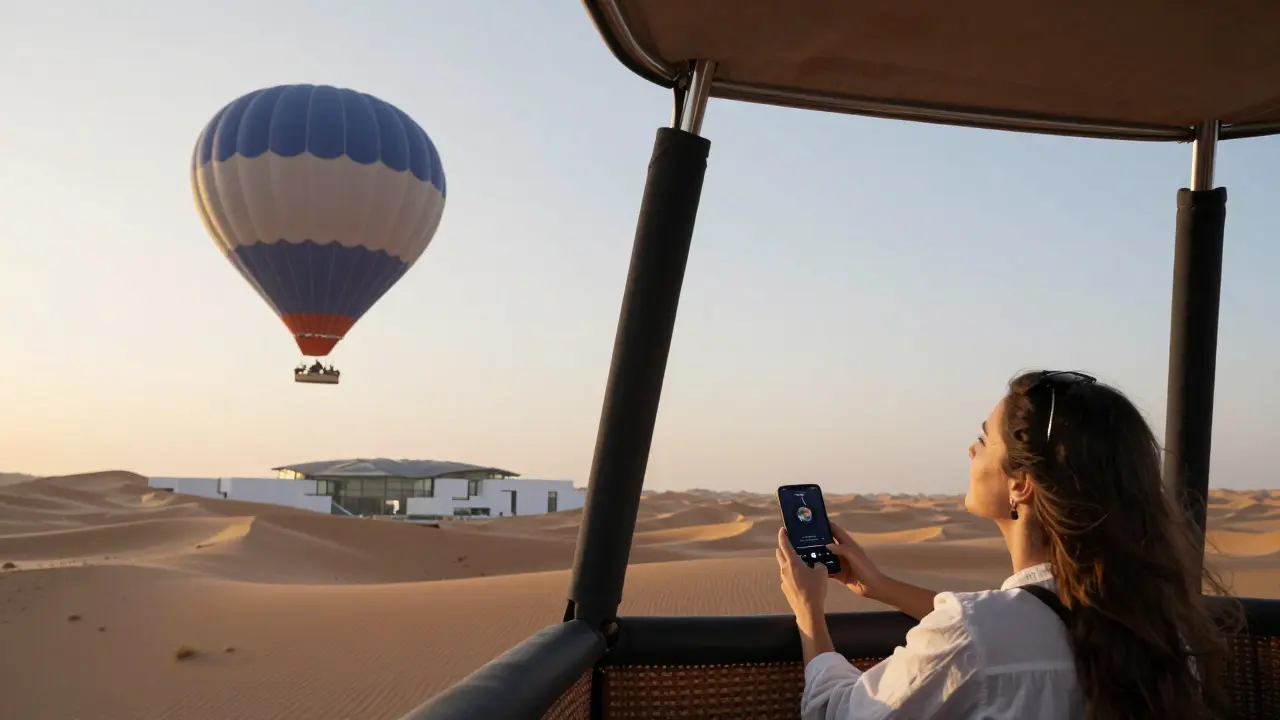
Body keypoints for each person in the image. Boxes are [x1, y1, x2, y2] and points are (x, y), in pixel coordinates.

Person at [776, 370, 1234, 719]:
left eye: (982, 439)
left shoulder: (976, 635)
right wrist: (882, 587)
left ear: (1022, 484)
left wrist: (808, 611)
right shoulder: (1161, 633)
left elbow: (834, 709)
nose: (971, 452)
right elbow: (1026, 623)